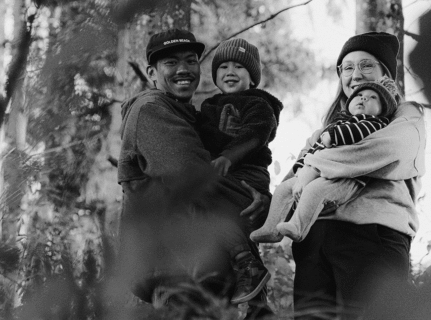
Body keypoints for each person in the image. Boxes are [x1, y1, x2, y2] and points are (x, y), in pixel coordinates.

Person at [113, 29, 271, 315]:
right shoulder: (151, 110)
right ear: (151, 72)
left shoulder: (187, 114)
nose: (183, 69)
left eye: (190, 61)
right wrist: (262, 203)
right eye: (170, 63)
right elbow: (196, 180)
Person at [286, 32, 426, 319]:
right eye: (347, 68)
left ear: (384, 74)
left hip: (372, 235)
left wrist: (314, 165)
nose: (356, 74)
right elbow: (293, 178)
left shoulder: (404, 115)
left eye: (366, 66)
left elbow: (387, 150)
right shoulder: (325, 129)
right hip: (314, 241)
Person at [250, 77, 400, 243]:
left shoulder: (374, 124)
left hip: (343, 178)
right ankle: (271, 228)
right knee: (283, 189)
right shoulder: (336, 124)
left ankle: (297, 227)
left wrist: (333, 136)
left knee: (314, 190)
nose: (364, 98)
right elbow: (313, 151)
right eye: (360, 95)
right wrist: (300, 169)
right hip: (315, 170)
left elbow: (354, 132)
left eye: (373, 97)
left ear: (383, 110)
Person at [194, 37, 282, 302]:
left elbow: (256, 133)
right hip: (221, 175)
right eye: (223, 67)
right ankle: (257, 302)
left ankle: (247, 263)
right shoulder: (208, 107)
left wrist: (227, 158)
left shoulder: (258, 103)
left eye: (239, 67)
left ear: (252, 78)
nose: (230, 71)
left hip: (247, 175)